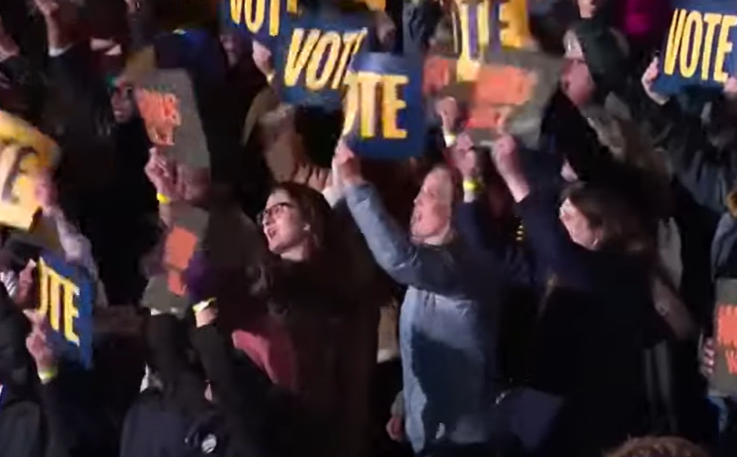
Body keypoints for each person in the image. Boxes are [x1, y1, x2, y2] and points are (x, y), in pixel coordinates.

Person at [459, 134, 655, 457]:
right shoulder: (555, 268)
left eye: (570, 219)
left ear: (599, 230)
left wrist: (515, 179)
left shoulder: (620, 270)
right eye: (559, 216)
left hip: (591, 424)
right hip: (540, 417)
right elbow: (489, 248)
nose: (559, 225)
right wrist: (471, 182)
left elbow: (562, 253)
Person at [333, 140, 502, 456]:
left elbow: (399, 259)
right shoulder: (428, 274)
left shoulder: (465, 266)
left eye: (431, 194)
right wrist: (405, 403)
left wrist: (355, 183)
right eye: (420, 191)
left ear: (458, 211)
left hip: (463, 445)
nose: (417, 200)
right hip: (430, 438)